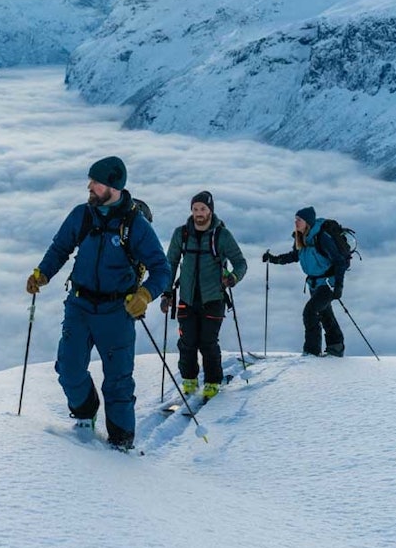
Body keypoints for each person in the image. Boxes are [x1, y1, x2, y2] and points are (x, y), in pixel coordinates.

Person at [26, 156, 169, 450]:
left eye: (96, 183)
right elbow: (60, 248)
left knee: (118, 382)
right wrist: (43, 273)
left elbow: (162, 269)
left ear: (113, 188)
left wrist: (145, 295)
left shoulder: (135, 226)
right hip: (79, 305)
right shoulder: (83, 215)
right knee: (68, 368)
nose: (89, 187)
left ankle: (121, 443)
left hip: (117, 311)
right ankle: (85, 412)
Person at [160, 191, 247, 399]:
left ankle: (212, 382)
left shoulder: (221, 236)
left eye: (203, 209)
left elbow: (241, 263)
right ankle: (189, 381)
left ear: (211, 210)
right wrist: (166, 292)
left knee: (208, 342)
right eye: (195, 209)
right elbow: (170, 263)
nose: (199, 213)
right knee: (187, 342)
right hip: (187, 298)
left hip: (213, 298)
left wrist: (234, 277)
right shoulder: (181, 234)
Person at [262, 206, 347, 357]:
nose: (295, 222)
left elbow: (340, 261)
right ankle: (336, 346)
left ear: (307, 222)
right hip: (313, 284)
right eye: (295, 220)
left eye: (299, 220)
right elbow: (295, 256)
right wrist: (274, 259)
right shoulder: (300, 237)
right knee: (324, 313)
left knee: (310, 312)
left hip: (327, 283)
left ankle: (311, 352)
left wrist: (338, 286)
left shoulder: (321, 237)